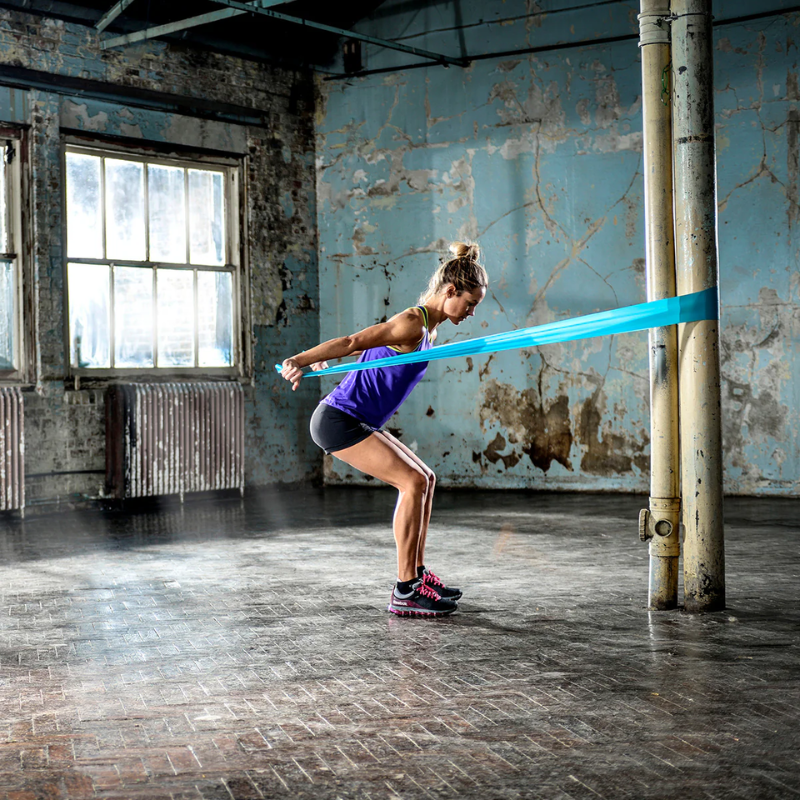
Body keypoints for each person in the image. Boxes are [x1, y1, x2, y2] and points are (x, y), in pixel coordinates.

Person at [279, 242, 488, 617]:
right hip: (337, 421)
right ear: (450, 291)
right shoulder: (412, 322)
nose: (472, 313)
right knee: (412, 483)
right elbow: (352, 342)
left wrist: (334, 363)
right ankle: (405, 588)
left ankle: (418, 575)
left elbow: (369, 358)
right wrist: (299, 359)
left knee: (426, 478)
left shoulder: (430, 331)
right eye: (470, 304)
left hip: (359, 419)